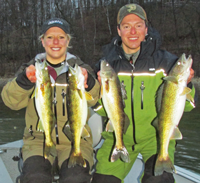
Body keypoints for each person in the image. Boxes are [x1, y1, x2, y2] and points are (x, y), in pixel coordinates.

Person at [92, 4, 196, 183]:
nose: (133, 31)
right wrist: (100, 91)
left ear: (146, 28)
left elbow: (187, 106)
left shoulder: (167, 63)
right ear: (118, 30)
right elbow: (102, 111)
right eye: (126, 26)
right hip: (117, 138)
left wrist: (187, 84)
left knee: (160, 180)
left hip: (155, 139)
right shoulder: (106, 66)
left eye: (138, 25)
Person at [1, 18, 100, 183]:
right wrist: (23, 81)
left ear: (68, 41)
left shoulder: (81, 69)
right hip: (37, 140)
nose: (55, 42)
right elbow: (11, 102)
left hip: (75, 142)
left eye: (61, 37)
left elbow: (95, 99)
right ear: (42, 41)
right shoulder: (31, 70)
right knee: (34, 177)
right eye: (49, 37)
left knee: (76, 178)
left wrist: (89, 83)